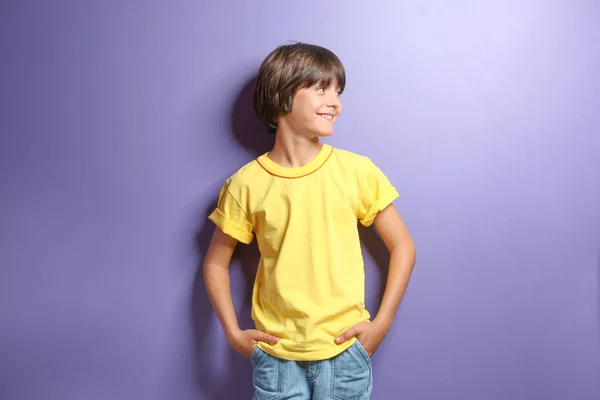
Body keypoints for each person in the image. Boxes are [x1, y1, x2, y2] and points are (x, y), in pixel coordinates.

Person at [203, 42, 416, 399]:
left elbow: (403, 246)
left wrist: (382, 323)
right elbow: (215, 263)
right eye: (321, 88)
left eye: (338, 91)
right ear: (282, 94)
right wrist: (232, 332)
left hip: (345, 350)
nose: (335, 101)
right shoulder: (244, 184)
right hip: (276, 356)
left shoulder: (356, 171)